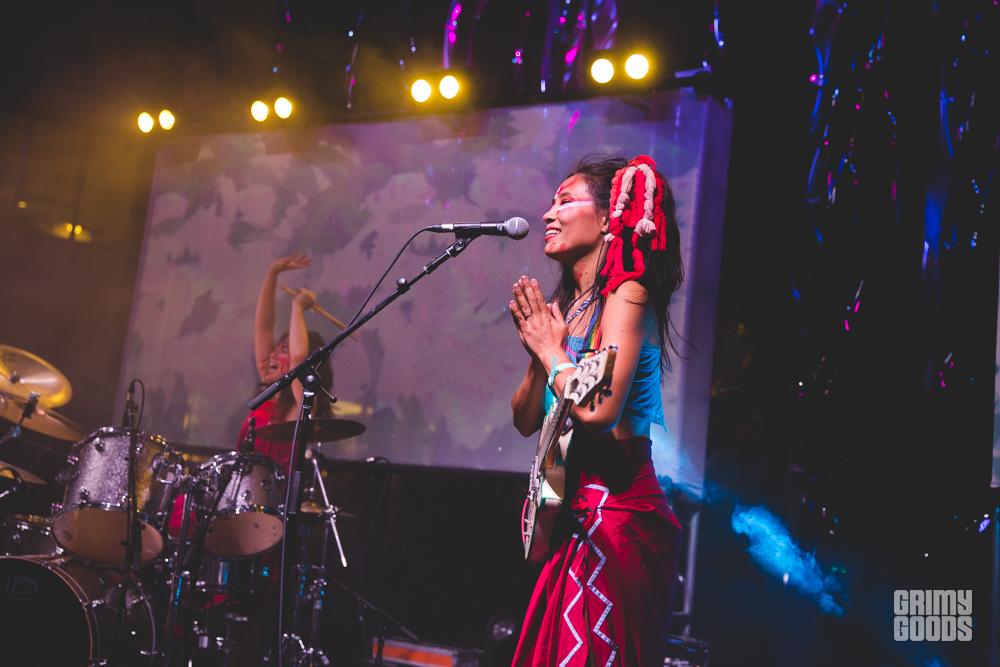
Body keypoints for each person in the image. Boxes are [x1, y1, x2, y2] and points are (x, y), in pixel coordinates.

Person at [509, 155, 684, 666]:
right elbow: (524, 420)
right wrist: (539, 355)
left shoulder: (628, 295)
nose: (548, 213)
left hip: (616, 517)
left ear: (608, 218)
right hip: (572, 516)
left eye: (565, 201)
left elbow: (598, 412)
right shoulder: (571, 307)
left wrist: (551, 351)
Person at [242, 252, 334, 472]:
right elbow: (264, 328)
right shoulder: (269, 395)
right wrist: (273, 272)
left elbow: (298, 360)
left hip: (276, 492)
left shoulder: (301, 403)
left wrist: (297, 308)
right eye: (278, 347)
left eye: (284, 349)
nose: (272, 354)